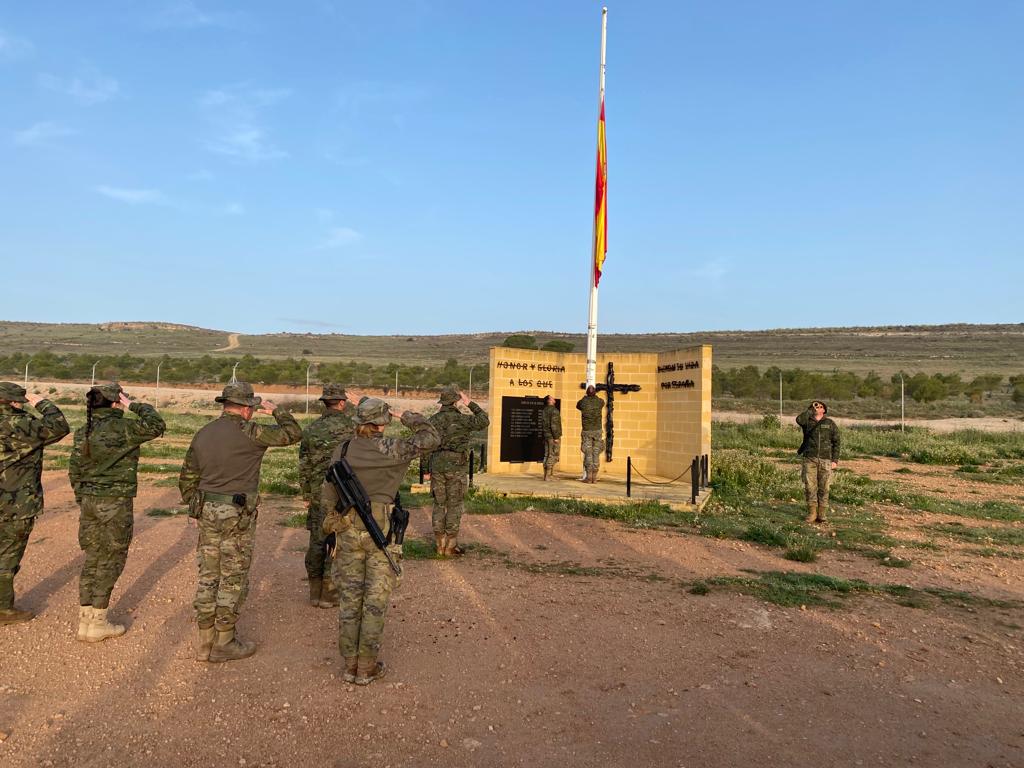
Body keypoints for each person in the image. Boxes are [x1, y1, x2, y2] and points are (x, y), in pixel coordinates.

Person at [179, 382, 301, 663]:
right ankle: (224, 641)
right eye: (253, 408)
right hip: (237, 514)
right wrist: (277, 411)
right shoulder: (251, 432)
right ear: (247, 409)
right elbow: (294, 434)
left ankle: (204, 640)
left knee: (209, 574)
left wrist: (195, 509)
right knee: (233, 576)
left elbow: (188, 477)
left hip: (208, 511)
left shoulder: (204, 433)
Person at [320, 397, 439, 685]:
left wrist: (334, 525)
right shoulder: (393, 448)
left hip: (347, 528)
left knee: (350, 598)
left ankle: (349, 664)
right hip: (381, 532)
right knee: (374, 601)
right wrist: (407, 416)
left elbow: (328, 494)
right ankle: (366, 667)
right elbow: (431, 437)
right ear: (382, 423)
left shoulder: (343, 448)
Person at [68, 383, 165, 642]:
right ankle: (98, 622)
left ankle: (85, 620)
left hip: (89, 501)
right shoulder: (124, 428)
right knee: (111, 559)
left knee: (92, 557)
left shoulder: (83, 431)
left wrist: (83, 497)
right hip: (115, 501)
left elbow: (74, 470)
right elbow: (156, 424)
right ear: (115, 402)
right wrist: (133, 404)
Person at [0, 383, 70, 625]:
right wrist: (41, 402)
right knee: (7, 556)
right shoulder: (24, 424)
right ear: (14, 402)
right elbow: (60, 426)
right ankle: (3, 609)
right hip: (16, 503)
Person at [298, 383, 355, 608]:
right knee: (339, 540)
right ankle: (330, 593)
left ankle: (314, 591)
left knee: (317, 540)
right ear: (342, 402)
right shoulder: (353, 428)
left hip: (317, 493)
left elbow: (304, 464)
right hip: (343, 494)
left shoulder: (312, 429)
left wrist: (306, 493)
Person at [427, 386, 489, 555]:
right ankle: (450, 545)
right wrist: (470, 403)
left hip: (438, 464)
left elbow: (425, 445)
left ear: (442, 402)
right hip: (457, 465)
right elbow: (484, 420)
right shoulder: (463, 420)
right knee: (455, 504)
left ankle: (439, 544)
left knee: (439, 504)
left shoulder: (432, 420)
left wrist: (426, 468)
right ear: (456, 401)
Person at [796, 400, 841, 523]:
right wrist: (810, 409)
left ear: (824, 410)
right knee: (810, 487)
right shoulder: (807, 421)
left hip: (826, 459)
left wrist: (835, 460)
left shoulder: (830, 423)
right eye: (815, 406)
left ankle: (822, 514)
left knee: (824, 487)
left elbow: (836, 442)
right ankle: (812, 513)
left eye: (820, 406)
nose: (817, 408)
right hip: (810, 458)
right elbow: (799, 420)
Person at [576, 385, 605, 483]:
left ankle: (589, 478)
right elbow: (602, 403)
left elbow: (578, 405)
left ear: (587, 393)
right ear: (595, 392)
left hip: (587, 431)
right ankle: (594, 477)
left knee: (588, 453)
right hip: (597, 431)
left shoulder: (583, 402)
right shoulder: (599, 401)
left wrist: (585, 397)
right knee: (596, 453)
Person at [540, 395, 561, 481]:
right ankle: (548, 476)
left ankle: (547, 475)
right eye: (552, 398)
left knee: (547, 454)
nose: (554, 398)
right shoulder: (554, 410)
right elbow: (554, 425)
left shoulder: (544, 410)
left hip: (546, 435)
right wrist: (556, 437)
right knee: (552, 455)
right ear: (549, 400)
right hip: (552, 436)